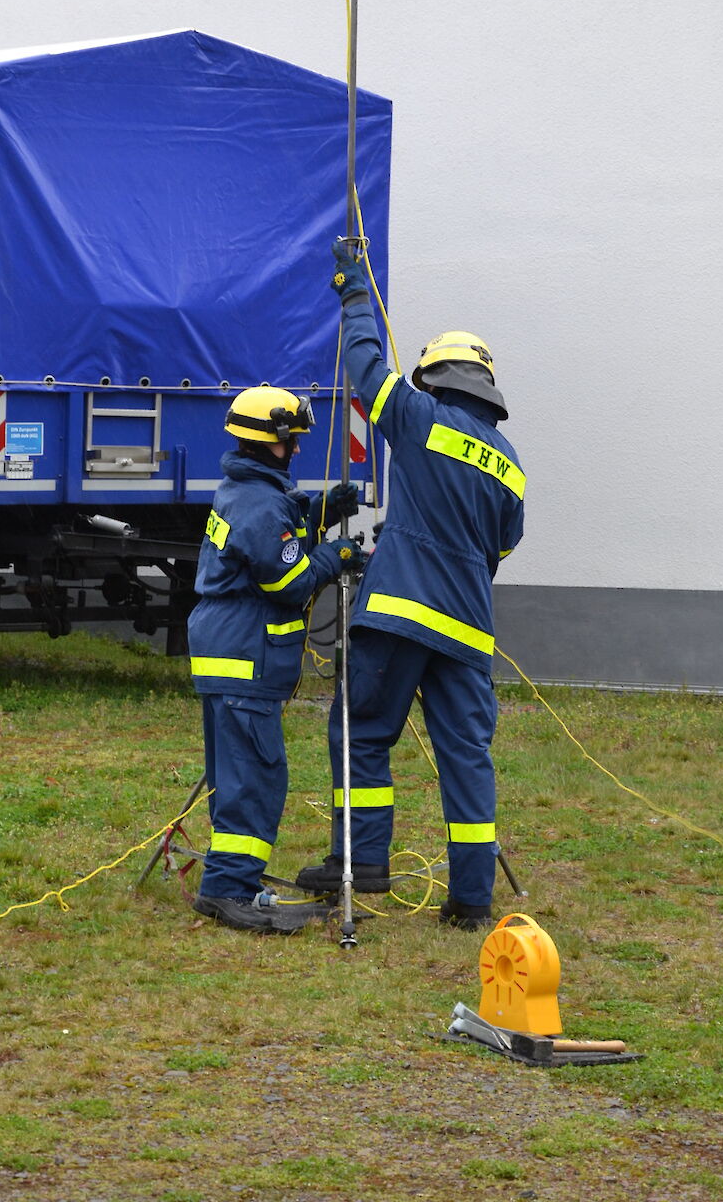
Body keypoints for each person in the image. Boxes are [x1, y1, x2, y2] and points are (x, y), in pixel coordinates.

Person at [296, 244, 525, 930]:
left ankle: (363, 862)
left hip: (398, 616)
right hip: (467, 631)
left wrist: (356, 295)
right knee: (466, 759)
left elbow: (368, 371)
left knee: (362, 731)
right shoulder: (511, 466)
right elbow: (502, 547)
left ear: (435, 378)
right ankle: (470, 900)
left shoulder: (422, 420)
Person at [188, 384, 365, 934]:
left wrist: (320, 509)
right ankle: (229, 889)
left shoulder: (243, 491)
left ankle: (231, 880)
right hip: (245, 659)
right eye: (292, 444)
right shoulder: (261, 504)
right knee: (256, 777)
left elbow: (276, 533)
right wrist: (334, 557)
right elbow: (288, 580)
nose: (296, 452)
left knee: (234, 774)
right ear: (272, 443)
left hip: (226, 655)